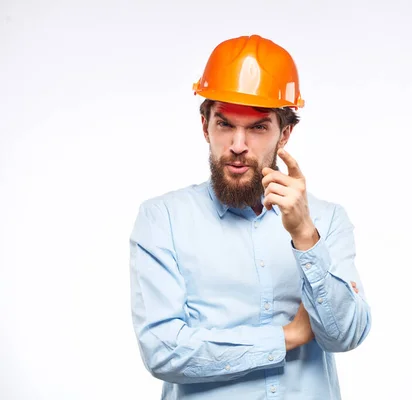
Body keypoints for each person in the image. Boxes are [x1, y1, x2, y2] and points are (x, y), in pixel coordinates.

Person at [129, 34, 372, 400]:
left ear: (285, 134)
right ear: (204, 126)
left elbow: (345, 336)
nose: (238, 145)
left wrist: (305, 235)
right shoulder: (162, 219)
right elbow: (163, 351)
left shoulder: (327, 220)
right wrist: (286, 336)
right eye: (225, 124)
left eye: (258, 127)